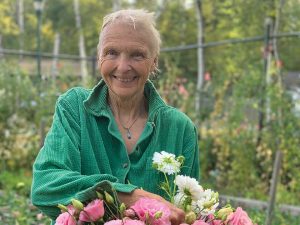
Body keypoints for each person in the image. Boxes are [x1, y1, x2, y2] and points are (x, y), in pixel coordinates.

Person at [31, 9, 199, 225]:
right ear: (99, 57)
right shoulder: (74, 108)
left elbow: (187, 210)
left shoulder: (180, 128)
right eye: (111, 52)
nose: (123, 66)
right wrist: (129, 195)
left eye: (137, 54)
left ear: (154, 62)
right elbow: (45, 186)